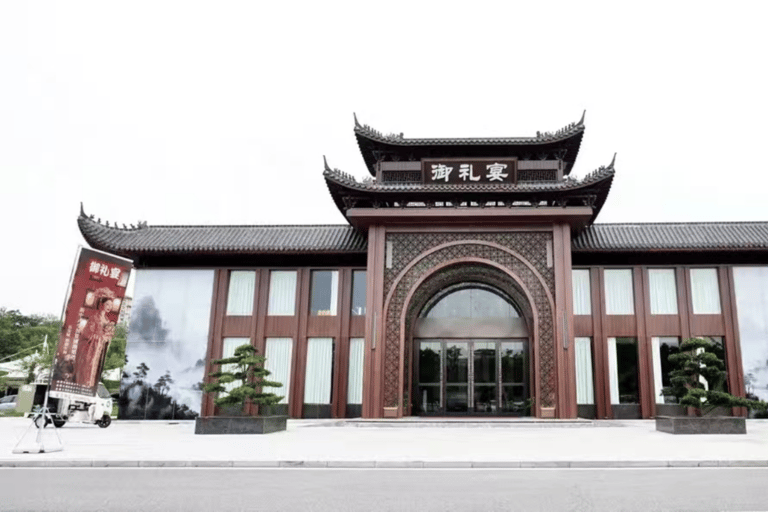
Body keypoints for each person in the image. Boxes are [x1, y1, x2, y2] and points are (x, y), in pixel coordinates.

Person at [74, 290, 116, 388]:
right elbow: (87, 334)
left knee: (96, 370)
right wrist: (101, 337)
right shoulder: (94, 318)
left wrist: (108, 336)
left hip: (99, 350)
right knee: (88, 370)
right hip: (90, 350)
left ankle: (90, 387)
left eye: (111, 305)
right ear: (101, 304)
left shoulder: (108, 320)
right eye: (107, 304)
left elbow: (108, 336)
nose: (109, 307)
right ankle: (84, 386)